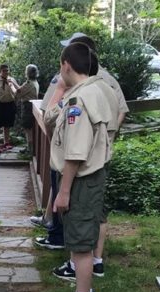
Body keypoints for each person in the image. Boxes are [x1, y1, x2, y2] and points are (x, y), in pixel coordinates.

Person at [34, 33, 129, 262]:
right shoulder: (107, 82)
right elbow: (121, 110)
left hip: (78, 160)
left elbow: (50, 115)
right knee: (95, 212)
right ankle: (94, 261)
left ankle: (80, 275)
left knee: (76, 216)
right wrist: (105, 141)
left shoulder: (79, 89)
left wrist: (57, 143)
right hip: (97, 158)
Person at [43, 42, 113, 292]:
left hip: (82, 179)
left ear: (66, 65)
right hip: (89, 177)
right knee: (80, 239)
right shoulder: (93, 90)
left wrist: (64, 190)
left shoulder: (79, 100)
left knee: (81, 244)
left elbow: (75, 152)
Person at [9, 64, 40, 154]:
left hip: (28, 107)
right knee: (29, 128)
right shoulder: (34, 82)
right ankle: (30, 148)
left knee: (28, 129)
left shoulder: (29, 84)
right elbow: (21, 90)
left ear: (27, 73)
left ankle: (30, 150)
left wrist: (11, 85)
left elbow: (18, 93)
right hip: (30, 107)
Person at [0, 64, 18, 151]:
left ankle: (6, 142)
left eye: (7, 70)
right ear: (0, 71)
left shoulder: (12, 80)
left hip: (9, 104)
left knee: (7, 124)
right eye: (4, 71)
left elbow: (16, 91)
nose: (6, 72)